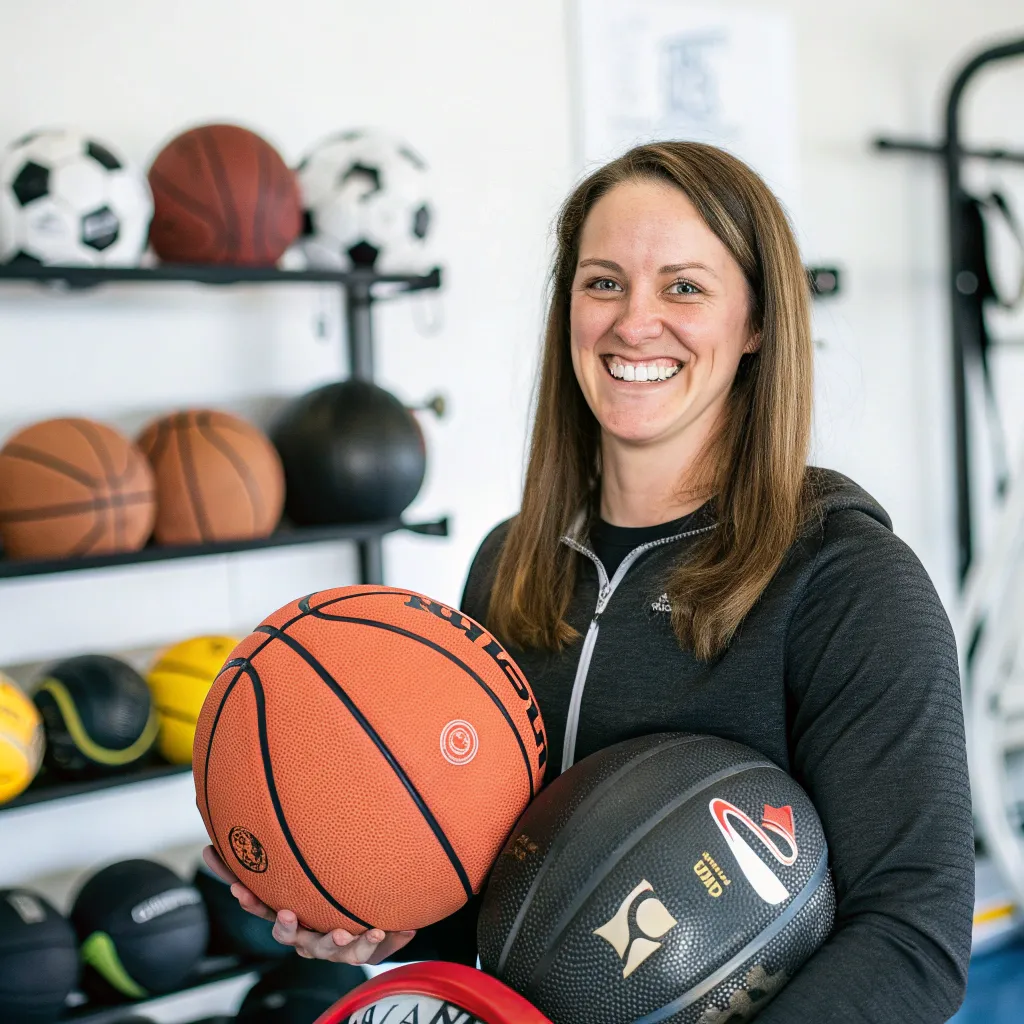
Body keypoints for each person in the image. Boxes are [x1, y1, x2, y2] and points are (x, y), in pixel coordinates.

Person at [204, 142, 974, 1022]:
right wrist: (382, 913)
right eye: (603, 282)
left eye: (684, 287)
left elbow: (915, 940)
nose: (634, 322)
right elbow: (504, 904)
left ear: (758, 322)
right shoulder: (511, 563)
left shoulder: (848, 581)